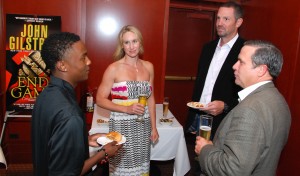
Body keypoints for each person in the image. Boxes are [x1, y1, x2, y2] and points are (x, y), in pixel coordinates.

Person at [195, 40, 291, 175]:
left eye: (241, 62)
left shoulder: (250, 110)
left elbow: (232, 170)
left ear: (261, 70)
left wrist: (205, 149)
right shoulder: (279, 101)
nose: (234, 66)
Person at [31, 32, 121, 176]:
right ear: (62, 65)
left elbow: (52, 142)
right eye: (83, 57)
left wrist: (83, 140)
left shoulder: (47, 95)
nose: (89, 61)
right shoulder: (70, 114)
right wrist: (104, 153)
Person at [96, 25, 159, 175]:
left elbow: (151, 99)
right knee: (121, 168)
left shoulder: (149, 67)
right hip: (120, 128)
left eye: (134, 41)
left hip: (142, 126)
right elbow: (99, 99)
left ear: (140, 42)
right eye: (127, 42)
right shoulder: (114, 68)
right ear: (122, 46)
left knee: (141, 167)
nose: (131, 47)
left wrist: (154, 127)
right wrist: (127, 108)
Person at [185, 1, 245, 139]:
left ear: (238, 22)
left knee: (216, 159)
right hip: (198, 116)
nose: (219, 23)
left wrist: (225, 106)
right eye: (218, 18)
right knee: (196, 158)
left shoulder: (245, 50)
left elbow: (248, 93)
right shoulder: (208, 48)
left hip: (224, 122)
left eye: (226, 19)